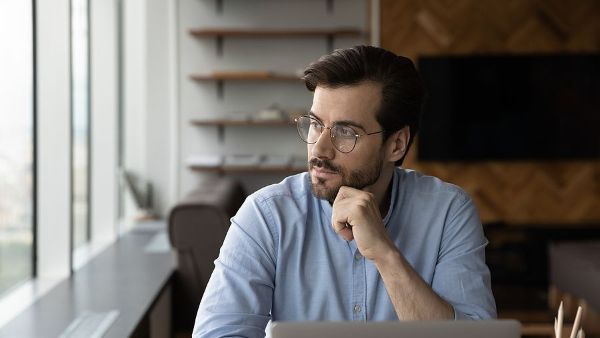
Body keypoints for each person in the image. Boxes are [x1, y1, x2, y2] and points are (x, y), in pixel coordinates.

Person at [192, 45, 497, 338]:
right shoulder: (267, 216)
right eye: (315, 124)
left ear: (397, 144)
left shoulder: (447, 212)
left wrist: (384, 253)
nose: (320, 149)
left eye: (345, 132)